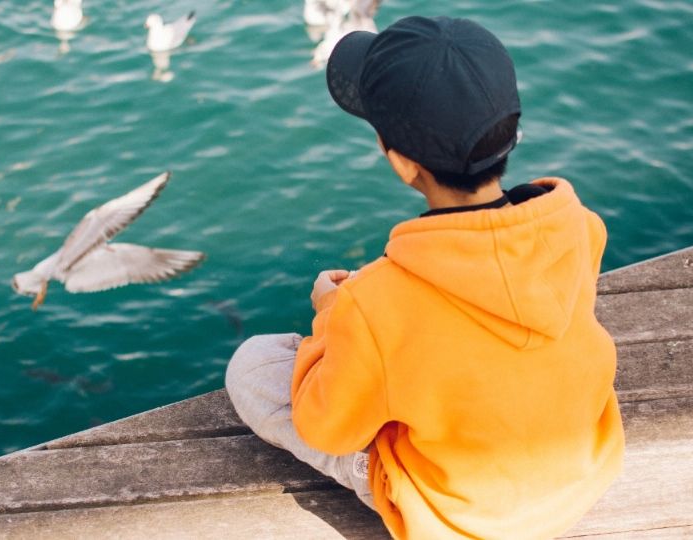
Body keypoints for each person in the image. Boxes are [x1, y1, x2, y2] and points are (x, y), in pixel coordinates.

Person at [225, 15, 625, 540]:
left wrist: (332, 318)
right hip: (579, 471)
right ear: (510, 131)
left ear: (401, 164)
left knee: (252, 366)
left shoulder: (375, 303)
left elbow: (328, 426)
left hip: (460, 516)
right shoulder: (578, 227)